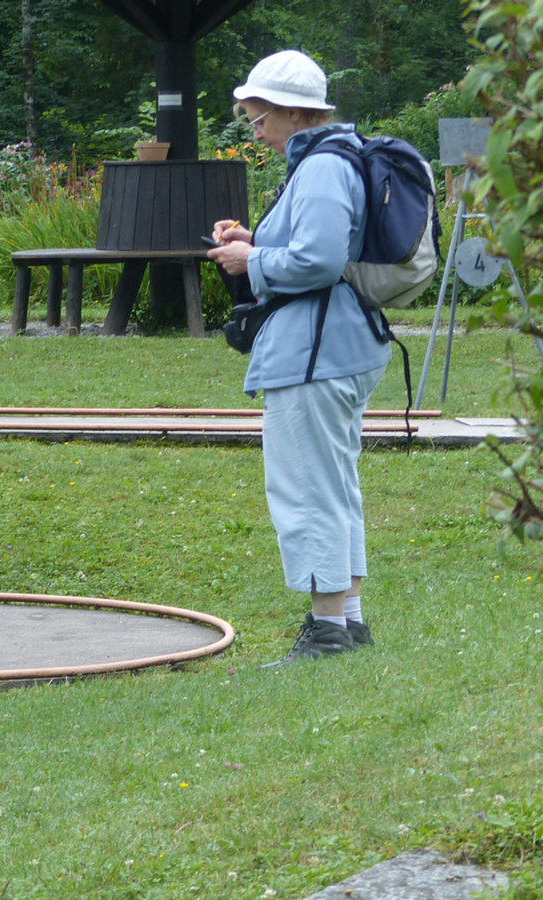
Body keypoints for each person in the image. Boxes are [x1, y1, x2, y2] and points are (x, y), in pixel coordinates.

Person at [205, 50, 391, 668]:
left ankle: (327, 630)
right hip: (336, 344)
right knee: (334, 486)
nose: (254, 128)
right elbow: (316, 247)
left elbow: (317, 261)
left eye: (258, 116)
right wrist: (256, 241)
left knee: (307, 489)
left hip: (316, 351)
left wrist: (248, 263)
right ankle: (350, 622)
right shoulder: (328, 160)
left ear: (291, 110)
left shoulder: (321, 168)